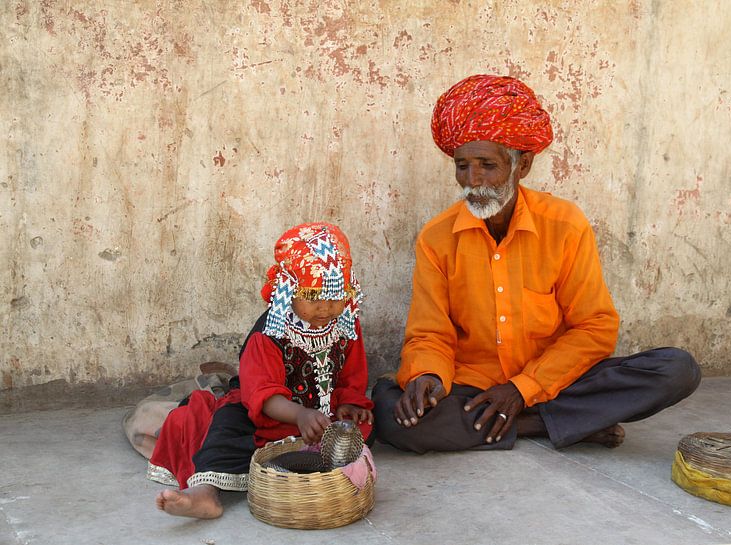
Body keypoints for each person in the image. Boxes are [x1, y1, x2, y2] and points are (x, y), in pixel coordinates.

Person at [373, 74, 700, 454]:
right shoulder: (436, 237)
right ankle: (549, 425)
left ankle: (526, 417)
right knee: (388, 413)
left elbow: (595, 327)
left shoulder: (564, 224)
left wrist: (521, 389)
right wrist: (427, 376)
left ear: (522, 165)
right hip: (474, 386)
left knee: (676, 369)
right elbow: (429, 334)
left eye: (486, 165)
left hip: (556, 380)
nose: (472, 180)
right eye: (462, 166)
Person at [149, 222, 374, 519]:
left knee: (364, 426)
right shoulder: (269, 334)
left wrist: (349, 403)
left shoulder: (345, 323)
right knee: (227, 425)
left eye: (336, 297)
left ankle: (309, 461)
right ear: (288, 289)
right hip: (269, 412)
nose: (326, 308)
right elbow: (262, 394)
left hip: (319, 416)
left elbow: (350, 376)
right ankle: (206, 492)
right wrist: (300, 415)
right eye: (314, 297)